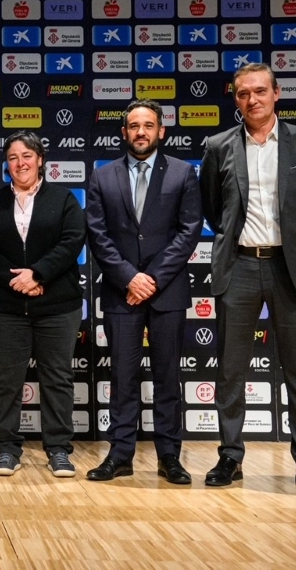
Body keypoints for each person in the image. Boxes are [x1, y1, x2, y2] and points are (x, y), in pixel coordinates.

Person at [199, 63, 296, 493]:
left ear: (276, 94)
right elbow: (212, 208)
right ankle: (230, 458)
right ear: (235, 98)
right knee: (231, 370)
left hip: (290, 268)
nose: (252, 100)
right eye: (243, 94)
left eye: (260, 91)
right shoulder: (219, 145)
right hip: (238, 266)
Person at [85, 99, 202, 483]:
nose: (141, 132)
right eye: (134, 126)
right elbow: (99, 237)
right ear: (124, 132)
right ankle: (120, 454)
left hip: (166, 292)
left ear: (161, 131)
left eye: (148, 125)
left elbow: (189, 232)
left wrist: (149, 279)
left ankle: (170, 456)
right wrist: (129, 278)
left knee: (168, 377)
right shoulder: (103, 176)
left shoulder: (184, 174)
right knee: (122, 377)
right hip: (122, 292)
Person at [0, 131, 86, 478]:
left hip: (57, 305)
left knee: (57, 379)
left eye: (26, 156)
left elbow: (72, 241)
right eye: (12, 158)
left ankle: (58, 450)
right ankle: (7, 449)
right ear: (6, 165)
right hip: (5, 306)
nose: (20, 163)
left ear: (40, 160)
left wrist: (38, 275)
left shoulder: (64, 199)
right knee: (6, 380)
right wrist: (15, 281)